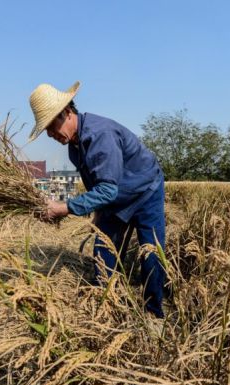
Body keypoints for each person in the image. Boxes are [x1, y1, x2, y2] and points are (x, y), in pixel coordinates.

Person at [28, 81, 167, 318]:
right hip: (115, 196)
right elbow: (99, 185)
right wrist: (98, 213)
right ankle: (107, 304)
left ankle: (154, 313)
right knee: (104, 253)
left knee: (150, 252)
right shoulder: (74, 146)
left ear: (67, 113)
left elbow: (106, 190)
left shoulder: (100, 135)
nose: (50, 135)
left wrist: (63, 208)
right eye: (46, 131)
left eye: (51, 126)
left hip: (145, 190)